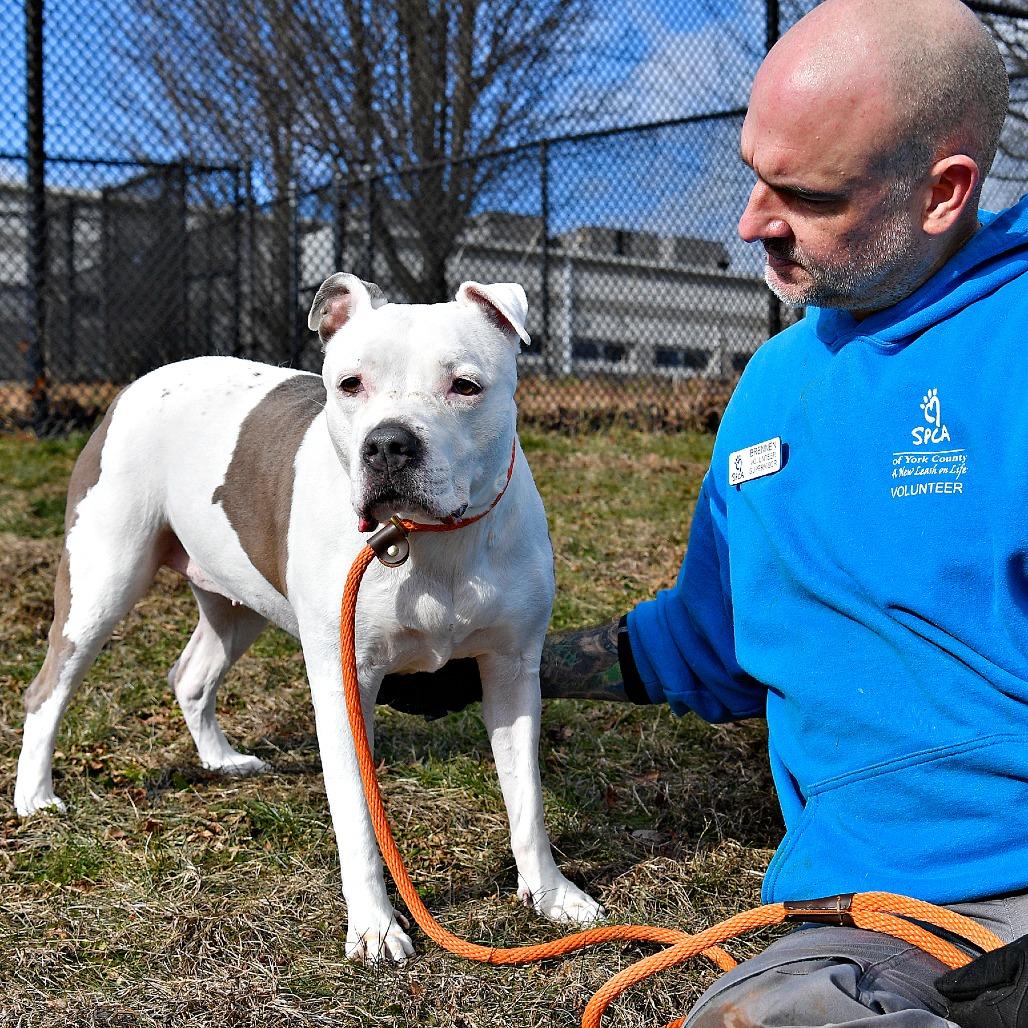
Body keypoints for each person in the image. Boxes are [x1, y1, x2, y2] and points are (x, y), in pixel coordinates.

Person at [380, 0, 1028, 1023]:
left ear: (941, 191)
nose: (749, 221)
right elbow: (703, 645)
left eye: (802, 194)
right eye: (751, 173)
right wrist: (499, 660)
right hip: (865, 928)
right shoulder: (769, 385)